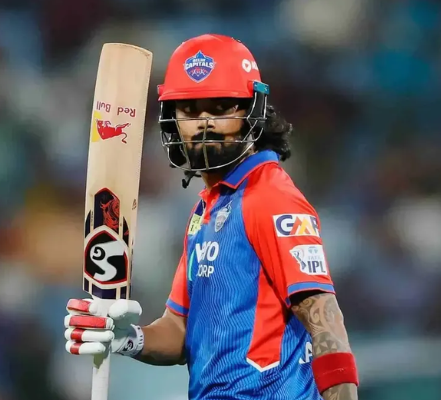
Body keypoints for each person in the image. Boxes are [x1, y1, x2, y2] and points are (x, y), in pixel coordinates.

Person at [64, 33, 359, 400]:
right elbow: (179, 330)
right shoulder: (206, 209)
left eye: (220, 108)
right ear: (172, 121)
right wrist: (128, 338)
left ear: (252, 112)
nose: (204, 122)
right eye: (190, 110)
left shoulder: (271, 197)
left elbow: (324, 318)